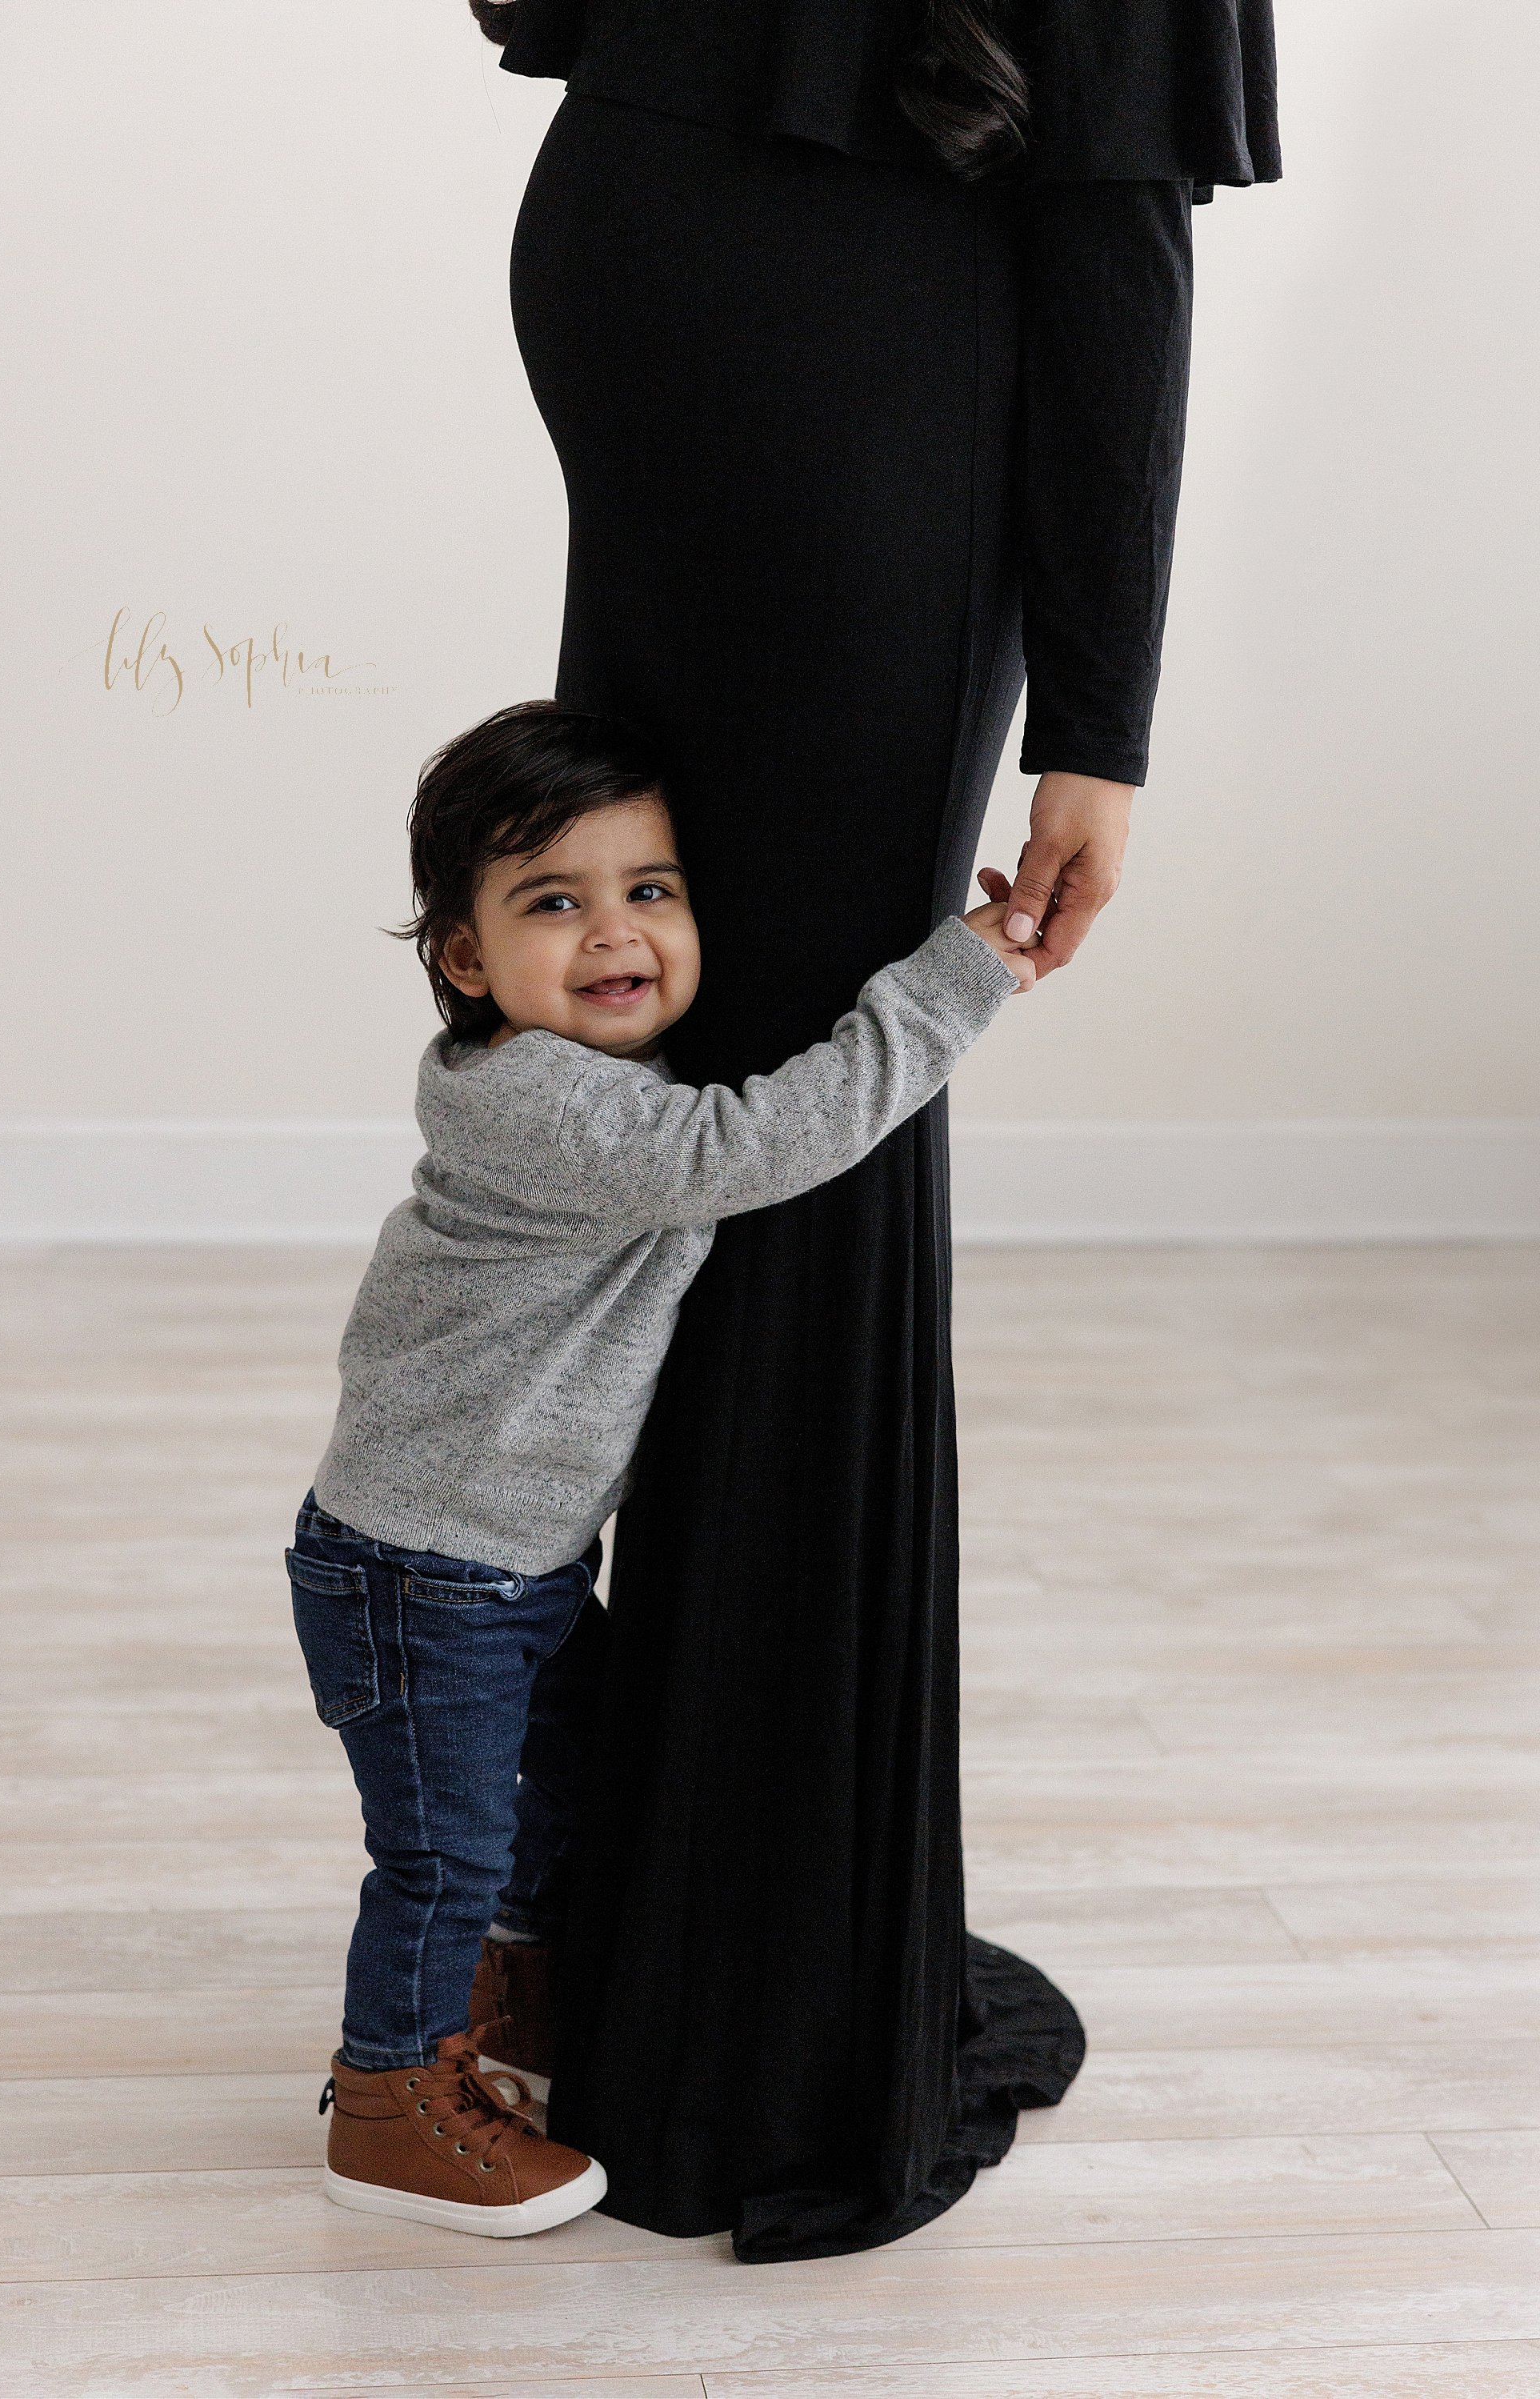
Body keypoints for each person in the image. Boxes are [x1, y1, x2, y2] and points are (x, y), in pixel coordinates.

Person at [463, 0, 1280, 2263]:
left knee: (699, 1087)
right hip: (864, 354)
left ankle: (634, 1935)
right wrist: (1100, 722)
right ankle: (762, 2022)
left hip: (647, 249)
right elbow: (1114, 205)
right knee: (802, 1136)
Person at [291, 699, 1037, 2236]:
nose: (614, 932)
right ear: (466, 961)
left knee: (565, 1803)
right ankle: (391, 2097)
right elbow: (755, 1146)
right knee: (443, 1848)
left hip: (511, 1556)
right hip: (421, 1569)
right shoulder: (540, 1100)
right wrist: (967, 974)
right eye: (553, 901)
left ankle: (516, 2011)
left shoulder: (587, 1075)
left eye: (652, 890)